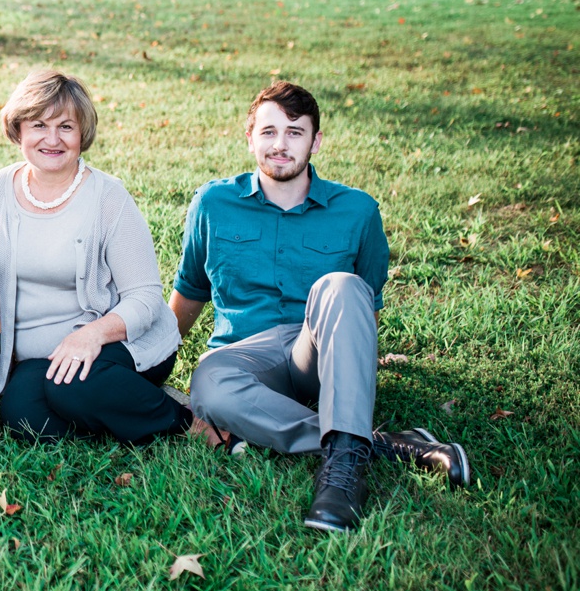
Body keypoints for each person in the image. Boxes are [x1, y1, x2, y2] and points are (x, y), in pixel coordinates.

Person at [172, 81, 471, 534]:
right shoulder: (213, 204)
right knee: (209, 382)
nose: (280, 144)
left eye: (295, 132)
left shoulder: (357, 211)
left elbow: (362, 307)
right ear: (249, 137)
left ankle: (340, 481)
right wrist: (151, 365)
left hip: (315, 349)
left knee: (341, 284)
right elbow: (190, 289)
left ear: (316, 141)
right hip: (245, 359)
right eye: (268, 131)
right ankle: (383, 446)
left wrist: (359, 366)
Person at [0, 71, 189, 443]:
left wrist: (90, 335)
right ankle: (127, 407)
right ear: (18, 129)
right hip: (42, 362)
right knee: (22, 414)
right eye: (39, 124)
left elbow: (146, 298)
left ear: (82, 133)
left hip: (117, 345)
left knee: (70, 388)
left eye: (66, 126)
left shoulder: (109, 197)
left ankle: (184, 421)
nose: (52, 139)